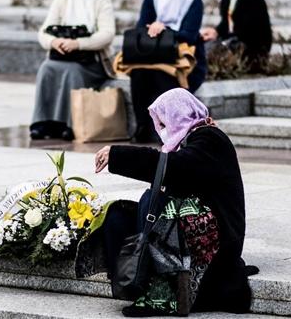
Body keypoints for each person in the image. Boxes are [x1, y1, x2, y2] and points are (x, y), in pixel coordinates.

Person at [94, 88, 252, 316]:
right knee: (117, 216)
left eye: (164, 124)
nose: (162, 132)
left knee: (153, 201)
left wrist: (118, 155)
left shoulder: (210, 138)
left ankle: (160, 291)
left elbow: (178, 167)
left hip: (218, 236)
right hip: (191, 225)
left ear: (180, 116)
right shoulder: (190, 138)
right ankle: (132, 281)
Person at [30, 0, 117, 140]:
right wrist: (54, 42)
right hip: (62, 57)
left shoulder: (101, 1)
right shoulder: (62, 0)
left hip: (92, 62)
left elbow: (107, 34)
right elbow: (43, 31)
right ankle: (43, 122)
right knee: (47, 68)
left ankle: (70, 123)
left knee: (72, 71)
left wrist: (79, 43)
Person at [127, 0, 205, 143]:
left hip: (183, 59)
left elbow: (189, 34)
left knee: (163, 75)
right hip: (153, 55)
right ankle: (143, 128)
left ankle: (171, 129)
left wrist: (165, 29)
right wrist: (153, 29)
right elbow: (141, 27)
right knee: (138, 74)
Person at [200, 0, 272, 73]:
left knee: (213, 50)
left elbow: (250, 30)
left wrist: (225, 40)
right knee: (203, 46)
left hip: (251, 46)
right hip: (235, 40)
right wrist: (215, 32)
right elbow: (226, 22)